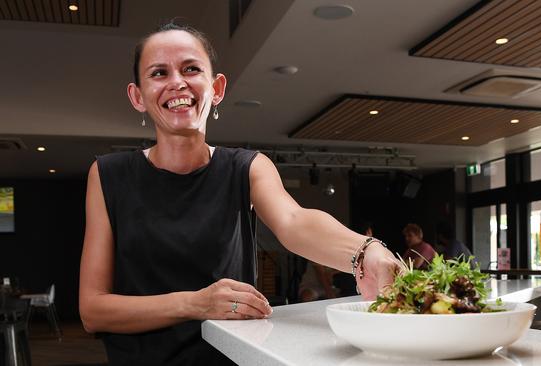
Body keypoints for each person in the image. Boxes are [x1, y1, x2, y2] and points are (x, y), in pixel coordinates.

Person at [78, 22, 399, 366]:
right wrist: (194, 303)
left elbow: (294, 221)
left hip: (230, 357)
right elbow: (93, 310)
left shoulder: (246, 167)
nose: (177, 82)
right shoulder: (108, 174)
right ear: (138, 96)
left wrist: (367, 251)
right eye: (159, 73)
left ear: (216, 88)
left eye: (191, 69)